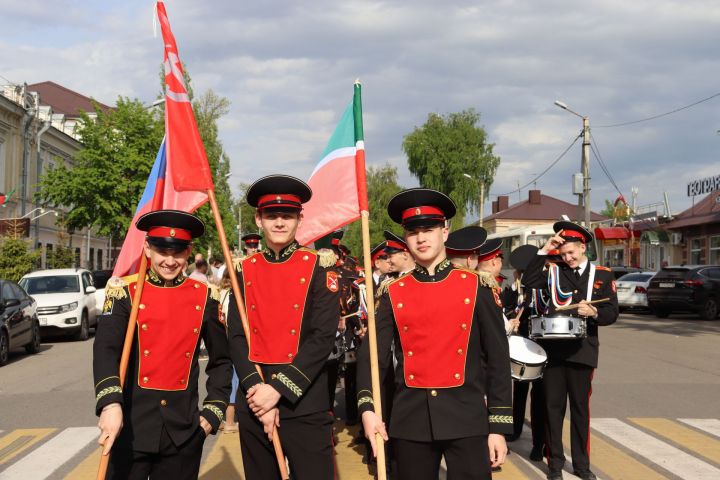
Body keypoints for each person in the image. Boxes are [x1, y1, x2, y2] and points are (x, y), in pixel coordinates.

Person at [358, 188, 513, 480]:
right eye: (413, 232)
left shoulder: (476, 286)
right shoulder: (393, 292)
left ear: (445, 230)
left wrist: (498, 428)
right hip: (410, 421)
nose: (421, 238)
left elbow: (497, 360)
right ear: (405, 238)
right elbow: (372, 358)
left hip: (467, 419)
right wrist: (368, 410)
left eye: (428, 229)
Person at [93, 210, 232, 480]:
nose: (170, 261)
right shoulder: (125, 293)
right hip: (129, 430)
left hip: (183, 435)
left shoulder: (205, 297)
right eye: (161, 251)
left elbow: (221, 360)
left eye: (178, 252)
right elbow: (106, 350)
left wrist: (213, 411)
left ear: (189, 251)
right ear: (147, 247)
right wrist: (110, 404)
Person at [226, 175, 339, 480]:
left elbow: (323, 336)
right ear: (258, 219)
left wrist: (277, 391)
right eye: (271, 215)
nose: (279, 222)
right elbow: (236, 336)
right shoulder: (243, 270)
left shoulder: (320, 267)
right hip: (254, 400)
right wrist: (257, 391)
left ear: (300, 219)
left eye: (287, 215)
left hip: (303, 402)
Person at [521, 221, 619, 480]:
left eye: (571, 253)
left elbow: (612, 312)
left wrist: (595, 312)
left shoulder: (602, 275)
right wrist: (545, 249)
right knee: (553, 410)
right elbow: (529, 279)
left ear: (583, 247)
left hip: (583, 351)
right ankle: (554, 465)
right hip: (554, 352)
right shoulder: (554, 272)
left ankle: (582, 466)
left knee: (580, 411)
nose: (568, 258)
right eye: (563, 254)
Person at [504, 245, 546, 461]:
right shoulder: (512, 289)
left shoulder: (540, 287)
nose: (520, 276)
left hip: (539, 348)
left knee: (539, 397)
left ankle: (539, 444)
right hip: (521, 346)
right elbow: (505, 308)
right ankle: (516, 427)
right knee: (519, 391)